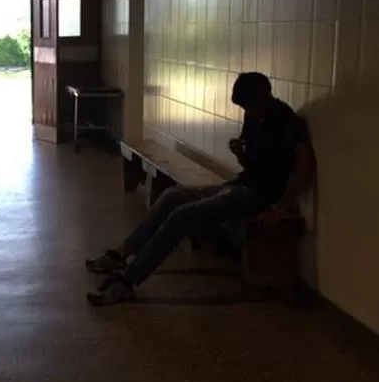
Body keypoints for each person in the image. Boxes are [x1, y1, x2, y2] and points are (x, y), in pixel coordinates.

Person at [86, 72, 315, 306]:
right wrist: (240, 153)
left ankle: (129, 281)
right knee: (172, 196)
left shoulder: (287, 121)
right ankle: (122, 254)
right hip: (240, 186)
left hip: (261, 197)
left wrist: (280, 208)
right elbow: (252, 165)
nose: (249, 112)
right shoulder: (253, 116)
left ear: (265, 97)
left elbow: (304, 164)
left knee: (183, 216)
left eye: (251, 106)